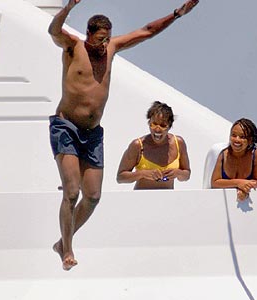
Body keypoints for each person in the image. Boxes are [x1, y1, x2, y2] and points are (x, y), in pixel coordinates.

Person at [48, 0, 199, 270]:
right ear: (89, 34)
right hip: (66, 126)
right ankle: (67, 251)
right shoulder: (73, 46)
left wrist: (177, 14)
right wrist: (67, 8)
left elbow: (147, 31)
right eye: (100, 39)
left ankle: (62, 240)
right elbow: (53, 30)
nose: (105, 44)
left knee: (93, 197)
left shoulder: (112, 49)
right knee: (71, 192)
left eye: (108, 39)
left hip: (92, 133)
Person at [117, 101, 191, 189]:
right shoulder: (138, 145)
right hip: (141, 199)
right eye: (154, 124)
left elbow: (186, 175)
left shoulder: (178, 143)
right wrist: (142, 174)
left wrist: (178, 173)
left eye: (163, 125)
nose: (157, 130)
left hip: (168, 199)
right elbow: (120, 178)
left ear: (169, 126)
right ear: (149, 123)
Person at [211, 118, 257, 201]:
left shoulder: (256, 155)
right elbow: (214, 183)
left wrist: (245, 188)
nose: (237, 140)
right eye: (233, 135)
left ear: (250, 140)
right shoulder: (223, 155)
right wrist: (238, 183)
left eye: (242, 137)